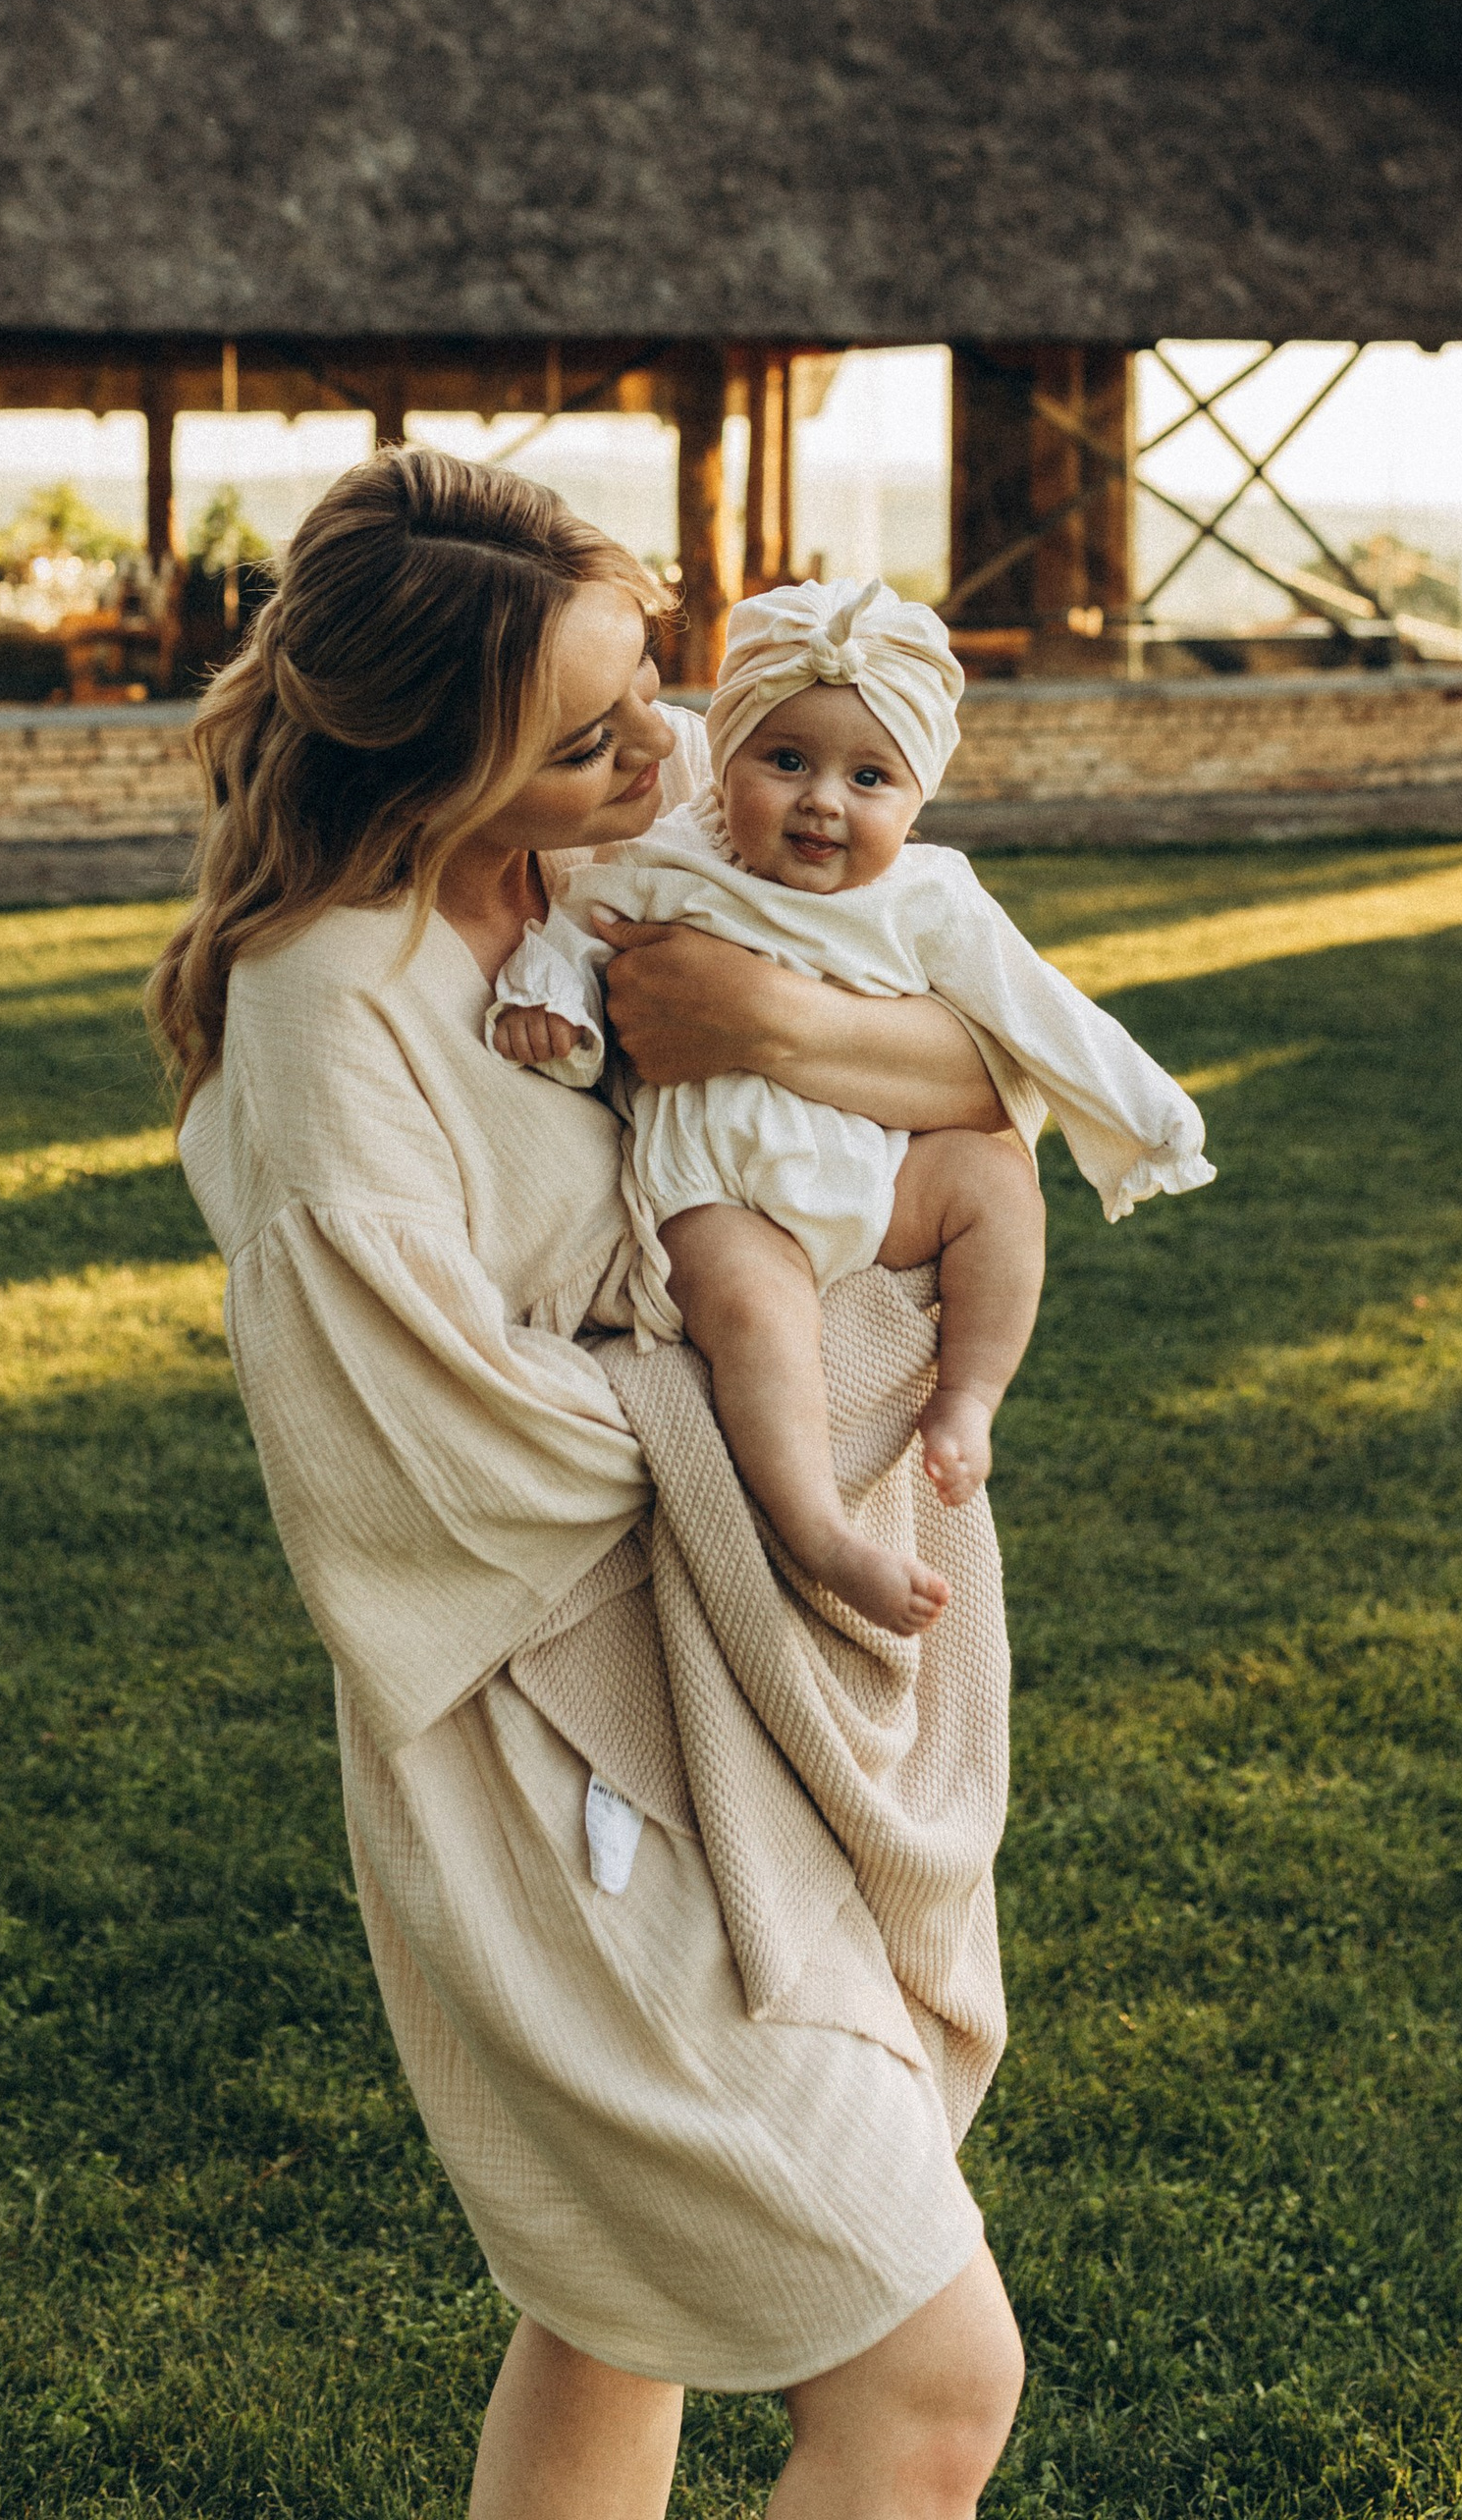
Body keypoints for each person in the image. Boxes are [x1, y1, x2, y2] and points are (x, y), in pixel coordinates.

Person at [152, 450, 1029, 2520]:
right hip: (556, 1744)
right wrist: (774, 1419)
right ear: (436, 763)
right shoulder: (329, 1014)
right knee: (926, 2392)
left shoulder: (605, 885)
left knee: (610, 2305)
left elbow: (999, 1080)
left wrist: (779, 1020)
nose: (665, 745)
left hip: (719, 1692)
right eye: (585, 737)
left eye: (647, 683)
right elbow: (421, 1440)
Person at [486, 576, 1214, 1635]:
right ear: (724, 762)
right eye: (785, 763)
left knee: (996, 1179)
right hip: (723, 1188)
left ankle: (968, 1394)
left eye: (868, 776)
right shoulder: (664, 866)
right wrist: (547, 1006)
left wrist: (1146, 1114)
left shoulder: (929, 898)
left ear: (916, 800)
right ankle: (818, 1527)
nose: (823, 800)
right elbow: (567, 939)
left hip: (879, 1168)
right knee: (750, 1312)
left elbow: (1040, 1011)